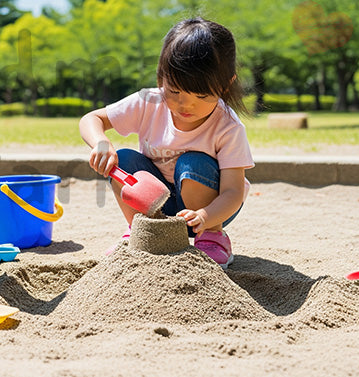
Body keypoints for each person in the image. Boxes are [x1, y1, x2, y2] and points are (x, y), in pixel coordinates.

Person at [79, 17, 254, 268]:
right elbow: (91, 119)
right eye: (175, 91)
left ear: (226, 86)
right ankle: (143, 229)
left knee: (192, 162)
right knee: (125, 160)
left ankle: (213, 238)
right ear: (162, 77)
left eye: (201, 95)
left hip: (211, 210)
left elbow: (233, 192)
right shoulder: (149, 102)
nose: (186, 104)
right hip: (158, 202)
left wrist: (206, 216)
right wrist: (101, 142)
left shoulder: (228, 126)